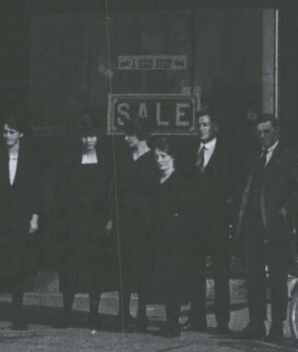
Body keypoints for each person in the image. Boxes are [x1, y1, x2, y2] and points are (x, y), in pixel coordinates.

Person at [234, 113, 298, 341]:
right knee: (254, 278)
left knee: (278, 280)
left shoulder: (287, 157)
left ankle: (277, 326)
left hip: (276, 230)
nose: (262, 136)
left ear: (276, 131)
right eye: (259, 132)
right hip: (254, 228)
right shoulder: (254, 159)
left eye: (266, 131)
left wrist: (286, 208)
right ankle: (256, 323)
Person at [0, 112, 43, 329]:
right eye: (5, 132)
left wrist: (34, 217)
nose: (7, 136)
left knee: (18, 267)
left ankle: (17, 313)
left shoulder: (31, 160)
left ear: (21, 134)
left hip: (20, 221)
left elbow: (37, 191)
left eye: (12, 132)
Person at [56, 120, 119, 329]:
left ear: (97, 138)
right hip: (74, 223)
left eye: (92, 136)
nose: (88, 140)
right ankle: (66, 312)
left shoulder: (105, 163)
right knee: (71, 266)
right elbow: (63, 192)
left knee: (95, 269)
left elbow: (110, 194)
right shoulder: (70, 162)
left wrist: (109, 219)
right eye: (84, 136)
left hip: (96, 224)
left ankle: (94, 312)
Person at [184, 108, 239, 333]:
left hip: (217, 223)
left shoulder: (226, 155)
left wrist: (229, 221)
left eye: (205, 124)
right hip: (195, 223)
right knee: (195, 272)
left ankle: (222, 322)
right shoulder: (191, 152)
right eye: (199, 125)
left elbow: (233, 190)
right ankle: (197, 318)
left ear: (214, 127)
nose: (201, 129)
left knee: (220, 274)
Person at [143, 145, 198, 338]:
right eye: (156, 156)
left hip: (176, 239)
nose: (159, 160)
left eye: (163, 156)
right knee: (164, 279)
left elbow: (188, 211)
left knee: (174, 280)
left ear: (172, 158)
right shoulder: (155, 181)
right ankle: (168, 320)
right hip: (158, 236)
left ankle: (173, 322)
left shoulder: (181, 182)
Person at [115, 127, 158, 329]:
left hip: (146, 219)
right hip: (125, 218)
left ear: (140, 135)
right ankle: (123, 312)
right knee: (125, 265)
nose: (125, 139)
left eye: (128, 135)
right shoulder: (125, 157)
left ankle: (142, 311)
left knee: (144, 267)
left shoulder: (152, 158)